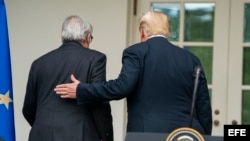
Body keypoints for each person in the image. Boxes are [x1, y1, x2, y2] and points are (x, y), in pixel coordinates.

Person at [54, 11, 212, 135]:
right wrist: (204, 135)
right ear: (167, 32)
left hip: (146, 133)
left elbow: (121, 87)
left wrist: (82, 89)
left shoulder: (136, 52)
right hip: (184, 135)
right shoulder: (191, 59)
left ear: (142, 31)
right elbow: (203, 105)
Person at [22, 15, 113, 141]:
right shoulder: (95, 59)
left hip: (41, 134)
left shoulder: (38, 63)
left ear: (62, 37)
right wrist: (107, 136)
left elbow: (28, 109)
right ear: (87, 37)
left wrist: (44, 127)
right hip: (79, 134)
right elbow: (99, 103)